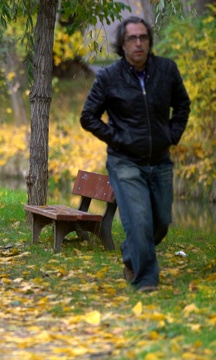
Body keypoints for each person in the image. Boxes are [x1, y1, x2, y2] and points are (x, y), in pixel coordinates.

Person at [80, 16, 191, 292]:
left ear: (149, 41)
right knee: (139, 221)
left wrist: (172, 135)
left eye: (143, 37)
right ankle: (145, 280)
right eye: (132, 38)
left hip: (160, 160)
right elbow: (88, 117)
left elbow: (183, 105)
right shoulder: (109, 77)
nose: (139, 43)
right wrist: (117, 139)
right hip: (124, 161)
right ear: (123, 43)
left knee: (161, 224)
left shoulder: (166, 70)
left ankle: (131, 253)